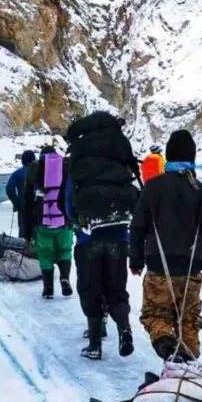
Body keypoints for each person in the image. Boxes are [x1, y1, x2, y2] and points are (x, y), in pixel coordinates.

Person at [129, 129, 202, 363]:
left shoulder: (152, 188)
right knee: (188, 321)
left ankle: (169, 352)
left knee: (155, 315)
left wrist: (136, 259)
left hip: (159, 267)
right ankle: (188, 369)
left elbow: (138, 227)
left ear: (168, 157)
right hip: (191, 270)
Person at [65, 112, 141, 360]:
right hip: (119, 236)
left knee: (90, 289)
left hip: (88, 238)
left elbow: (67, 203)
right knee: (116, 289)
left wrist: (76, 223)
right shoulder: (119, 162)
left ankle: (95, 344)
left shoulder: (80, 165)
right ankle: (124, 328)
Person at [22, 145, 74, 299]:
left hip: (42, 222)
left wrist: (27, 232)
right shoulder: (67, 166)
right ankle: (65, 278)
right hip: (64, 220)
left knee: (45, 254)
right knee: (65, 250)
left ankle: (48, 289)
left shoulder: (33, 169)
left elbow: (27, 202)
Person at [5, 150, 36, 234]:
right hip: (38, 207)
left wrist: (17, 203)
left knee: (24, 233)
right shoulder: (40, 172)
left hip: (23, 207)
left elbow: (9, 188)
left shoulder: (17, 173)